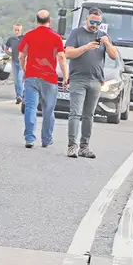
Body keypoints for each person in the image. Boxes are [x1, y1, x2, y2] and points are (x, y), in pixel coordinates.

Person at [64, 8, 117, 159]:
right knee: (75, 113)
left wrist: (107, 45)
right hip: (78, 79)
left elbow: (113, 56)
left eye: (98, 23)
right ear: (87, 20)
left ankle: (84, 147)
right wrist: (86, 47)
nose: (94, 25)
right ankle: (72, 146)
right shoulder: (76, 33)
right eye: (92, 22)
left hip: (96, 80)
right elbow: (68, 53)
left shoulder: (103, 36)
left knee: (89, 115)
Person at [18, 10, 68, 149]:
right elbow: (62, 58)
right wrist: (65, 77)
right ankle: (46, 139)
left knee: (30, 107)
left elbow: (21, 56)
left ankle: (29, 138)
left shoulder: (29, 36)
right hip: (49, 78)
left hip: (32, 76)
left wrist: (25, 69)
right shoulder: (56, 37)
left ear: (36, 21)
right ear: (49, 21)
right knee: (48, 110)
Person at [3, 24, 25, 104]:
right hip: (14, 62)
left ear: (21, 30)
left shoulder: (24, 38)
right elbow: (6, 48)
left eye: (18, 30)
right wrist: (9, 53)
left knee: (20, 79)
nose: (16, 31)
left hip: (22, 62)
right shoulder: (11, 39)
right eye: (15, 30)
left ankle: (20, 95)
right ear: (13, 30)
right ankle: (18, 96)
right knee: (16, 81)